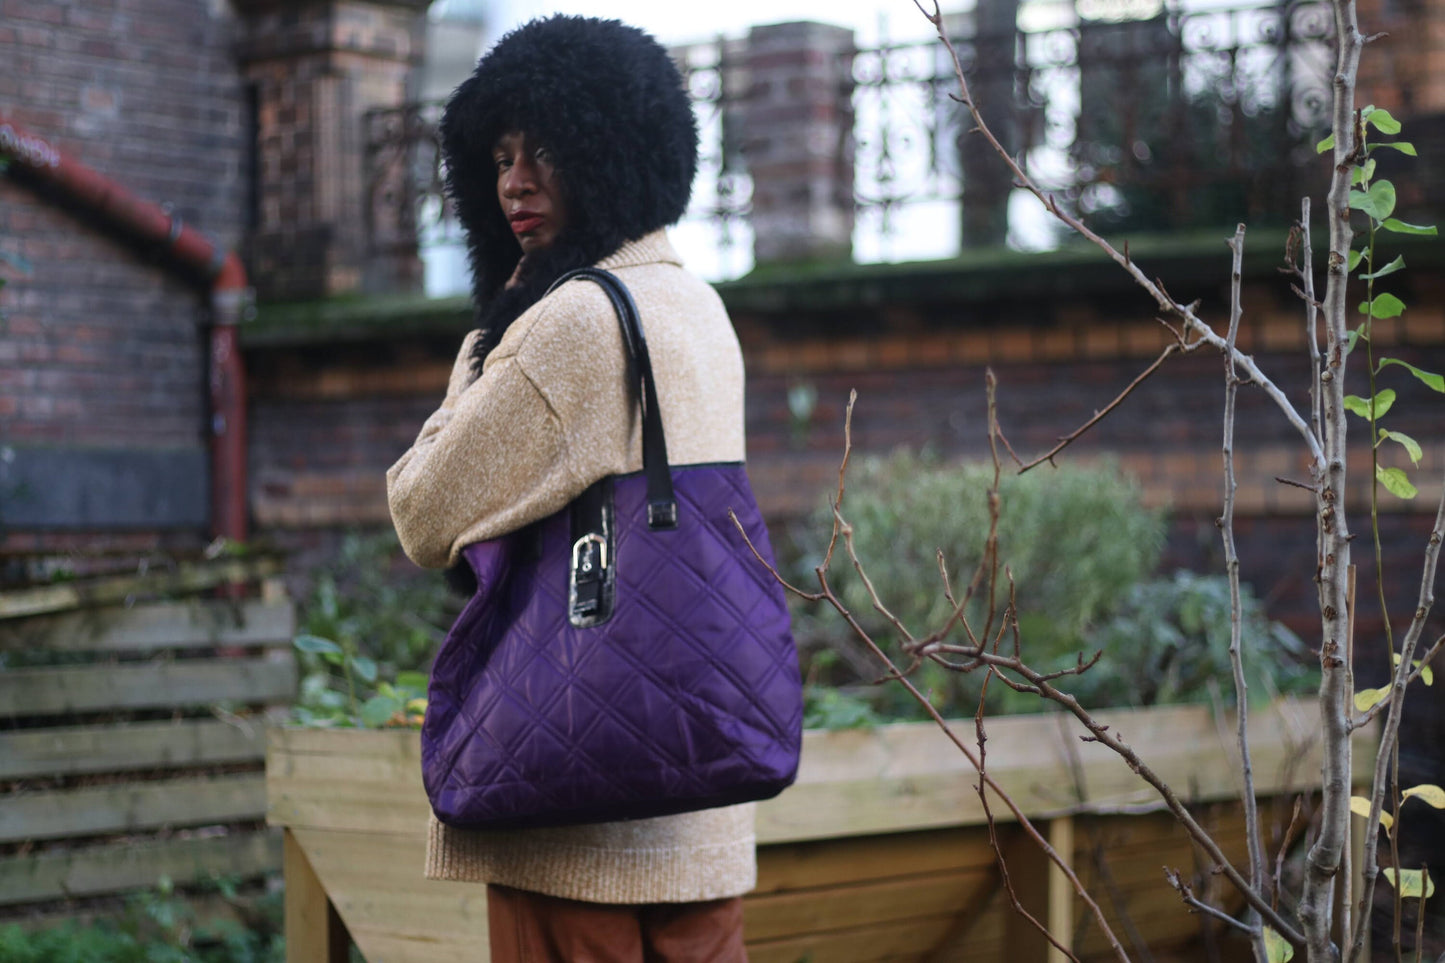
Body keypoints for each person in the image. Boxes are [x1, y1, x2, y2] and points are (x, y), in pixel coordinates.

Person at [386, 15, 754, 962]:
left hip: (571, 822)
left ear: (609, 145)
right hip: (702, 818)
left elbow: (423, 512)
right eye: (500, 154)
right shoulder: (700, 308)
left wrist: (488, 335)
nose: (514, 180)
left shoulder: (572, 322)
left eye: (544, 148)